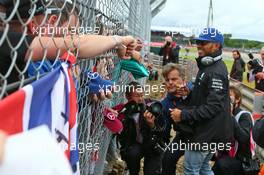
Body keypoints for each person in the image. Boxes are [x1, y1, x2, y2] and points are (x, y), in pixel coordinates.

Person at [0, 0, 136, 85]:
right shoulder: (15, 45)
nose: (73, 36)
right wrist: (119, 41)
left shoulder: (48, 55)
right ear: (31, 26)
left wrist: (117, 43)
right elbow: (79, 45)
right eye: (71, 31)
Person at [170, 27, 233, 175]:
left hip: (207, 132)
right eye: (198, 41)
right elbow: (208, 97)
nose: (199, 45)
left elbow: (213, 107)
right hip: (211, 130)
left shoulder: (215, 71)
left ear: (216, 45)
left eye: (204, 42)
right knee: (204, 168)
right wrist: (190, 93)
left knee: (191, 169)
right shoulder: (209, 66)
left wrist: (183, 115)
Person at [118, 81, 165, 175]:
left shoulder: (154, 107)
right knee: (132, 157)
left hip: (152, 144)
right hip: (137, 144)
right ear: (128, 97)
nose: (140, 98)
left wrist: (152, 125)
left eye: (142, 95)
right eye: (137, 95)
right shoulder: (125, 111)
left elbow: (162, 133)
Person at [212, 86, 256, 175]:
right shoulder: (222, 115)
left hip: (242, 160)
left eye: (229, 95)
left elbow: (244, 138)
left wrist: (231, 117)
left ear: (237, 99)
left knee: (220, 166)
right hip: (226, 154)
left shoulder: (244, 116)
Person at [160, 63, 192, 175]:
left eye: (174, 79)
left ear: (184, 79)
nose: (170, 83)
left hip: (204, 134)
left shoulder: (195, 90)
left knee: (195, 164)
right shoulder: (165, 104)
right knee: (167, 158)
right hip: (184, 135)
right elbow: (165, 131)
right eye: (167, 79)